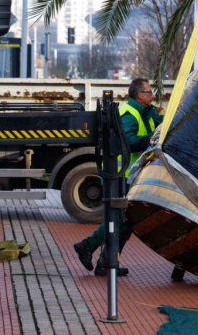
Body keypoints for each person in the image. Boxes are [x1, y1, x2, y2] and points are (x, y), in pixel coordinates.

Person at [72, 78, 175, 278]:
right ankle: (87, 245)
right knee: (120, 218)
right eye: (148, 92)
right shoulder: (129, 113)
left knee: (125, 221)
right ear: (139, 95)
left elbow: (162, 123)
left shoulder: (146, 112)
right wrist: (153, 140)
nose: (152, 96)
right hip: (119, 175)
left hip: (130, 175)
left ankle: (106, 262)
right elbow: (128, 142)